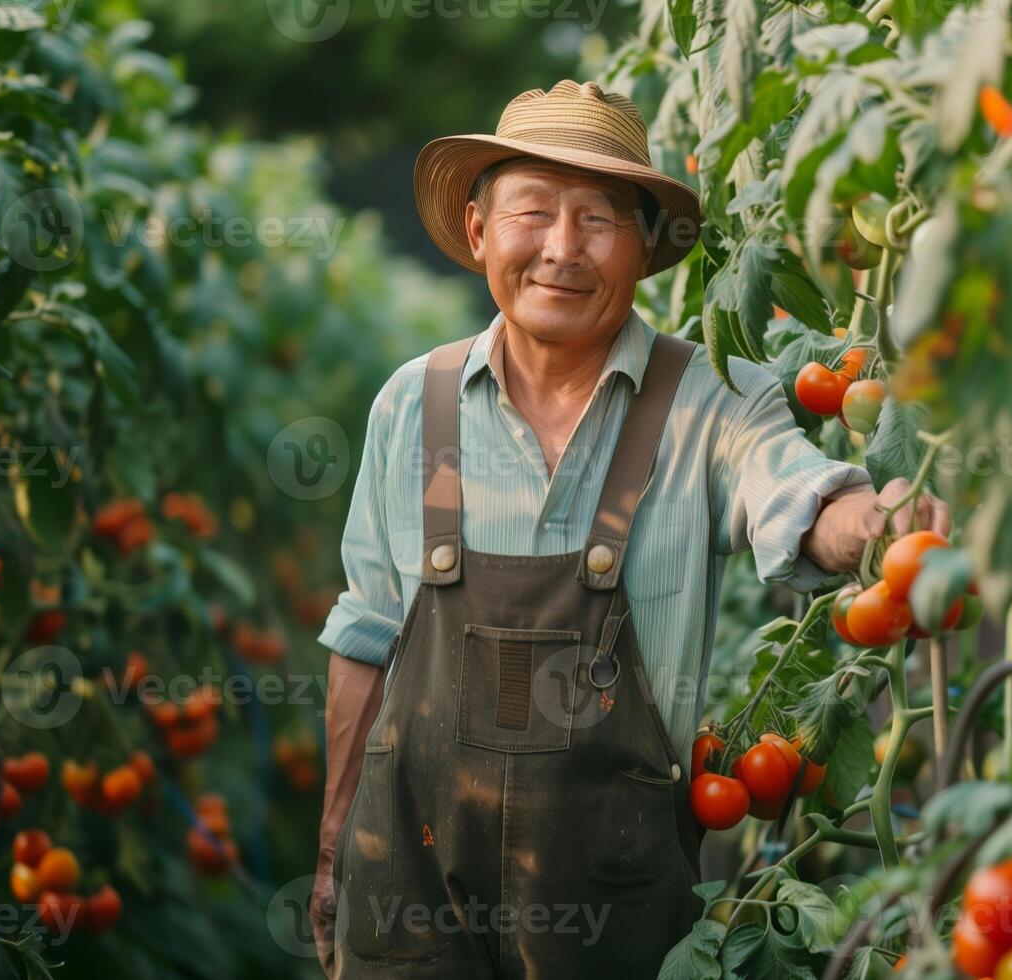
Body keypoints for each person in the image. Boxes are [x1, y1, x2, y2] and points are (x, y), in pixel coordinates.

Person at [309, 79, 948, 978]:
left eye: (600, 219)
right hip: (408, 894)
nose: (562, 249)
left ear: (644, 246)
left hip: (613, 912)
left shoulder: (709, 402)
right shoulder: (410, 405)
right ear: (480, 227)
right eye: (532, 211)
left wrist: (874, 526)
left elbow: (794, 493)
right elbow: (368, 635)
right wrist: (335, 843)